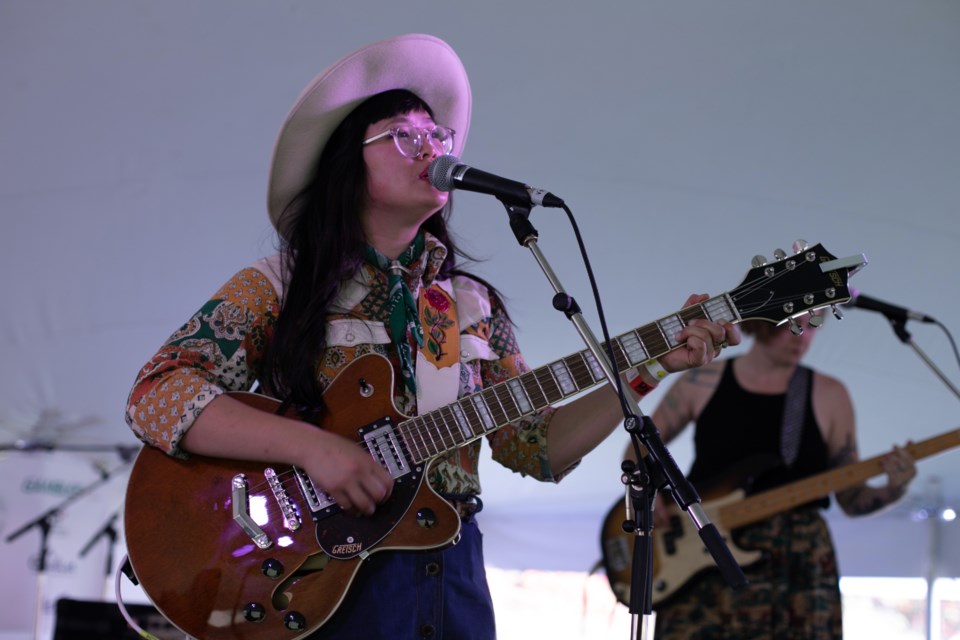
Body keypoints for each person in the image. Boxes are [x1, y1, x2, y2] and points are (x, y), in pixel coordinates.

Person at [124, 33, 739, 640]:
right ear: (346, 162)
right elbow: (157, 394)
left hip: (451, 572)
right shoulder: (279, 286)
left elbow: (537, 447)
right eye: (403, 135)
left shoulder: (467, 305)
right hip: (321, 577)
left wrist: (651, 365)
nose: (432, 146)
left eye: (436, 134)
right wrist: (314, 449)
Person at [623, 313, 916, 640]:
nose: (803, 337)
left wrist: (895, 488)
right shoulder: (702, 380)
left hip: (796, 561)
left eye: (814, 326)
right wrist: (646, 494)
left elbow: (851, 499)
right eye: (794, 324)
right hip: (706, 551)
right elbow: (637, 447)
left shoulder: (830, 394)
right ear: (763, 321)